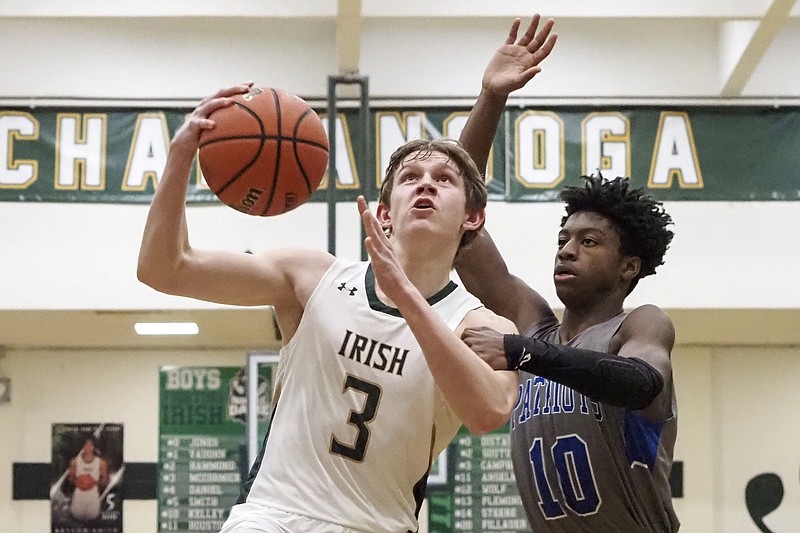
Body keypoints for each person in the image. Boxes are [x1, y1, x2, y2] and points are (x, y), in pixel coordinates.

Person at [135, 43, 561, 526]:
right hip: (275, 514)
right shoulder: (311, 275)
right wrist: (177, 158)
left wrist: (405, 296)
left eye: (444, 179)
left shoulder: (480, 324)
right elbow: (164, 268)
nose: (425, 184)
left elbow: (489, 412)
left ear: (472, 216)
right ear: (384, 213)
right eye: (410, 177)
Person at [453, 20, 680, 532]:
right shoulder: (534, 322)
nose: (567, 251)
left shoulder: (639, 326)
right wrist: (490, 99)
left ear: (629, 266)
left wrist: (519, 353)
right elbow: (459, 229)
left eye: (589, 242)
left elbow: (640, 382)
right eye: (562, 240)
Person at [67, 434, 109, 522]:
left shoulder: (101, 462)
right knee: (76, 519)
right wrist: (79, 481)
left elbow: (105, 480)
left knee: (92, 520)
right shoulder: (75, 461)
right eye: (86, 444)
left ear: (94, 446)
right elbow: (70, 479)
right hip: (79, 497)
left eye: (91, 444)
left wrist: (93, 482)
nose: (88, 447)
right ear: (82, 446)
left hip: (93, 497)